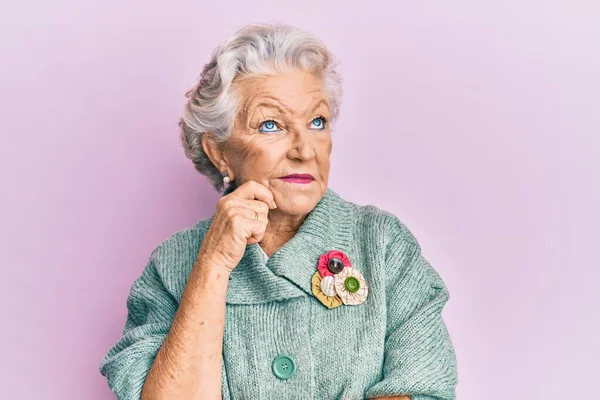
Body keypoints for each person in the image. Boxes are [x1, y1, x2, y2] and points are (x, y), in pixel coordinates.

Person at [99, 22, 458, 400]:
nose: (305, 150)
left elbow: (422, 389)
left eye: (317, 122)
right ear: (219, 151)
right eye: (271, 125)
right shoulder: (172, 265)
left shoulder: (383, 244)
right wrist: (214, 263)